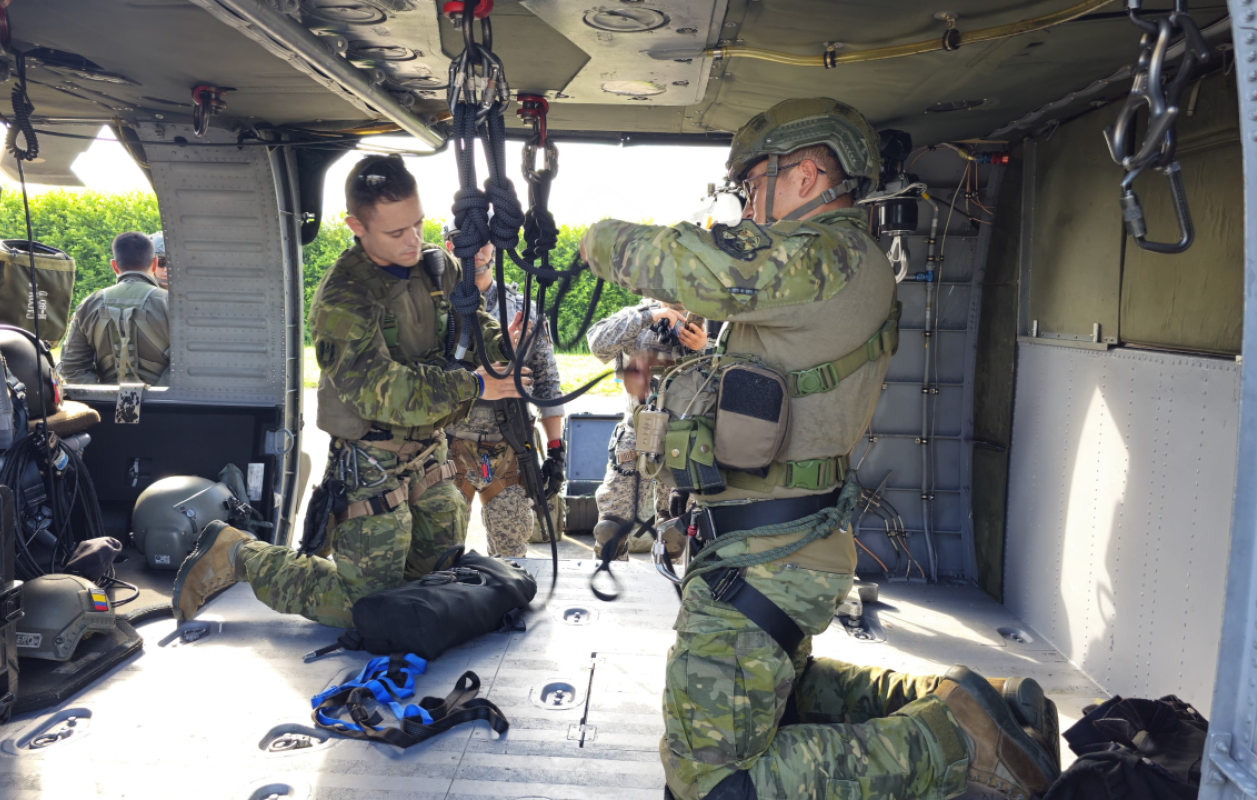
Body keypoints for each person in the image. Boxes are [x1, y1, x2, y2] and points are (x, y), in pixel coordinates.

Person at [579, 98, 1060, 800]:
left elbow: (703, 267)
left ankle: (955, 738)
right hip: (769, 544)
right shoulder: (828, 266)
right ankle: (966, 700)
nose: (746, 205)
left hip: (767, 553)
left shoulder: (829, 257)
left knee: (713, 781)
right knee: (788, 693)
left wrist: (595, 239)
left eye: (752, 186)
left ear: (804, 175)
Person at [171, 154, 528, 627]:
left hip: (431, 458)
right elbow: (383, 392)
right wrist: (478, 384)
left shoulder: (436, 269)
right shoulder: (345, 297)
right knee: (367, 609)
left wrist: (505, 340)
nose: (413, 241)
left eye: (418, 225)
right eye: (396, 232)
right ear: (355, 226)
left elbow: (467, 328)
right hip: (372, 465)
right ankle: (236, 553)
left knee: (436, 581)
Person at [443, 226, 566, 558]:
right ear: (449, 245)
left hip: (507, 448)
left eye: (484, 241)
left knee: (511, 552)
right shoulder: (437, 309)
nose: (476, 250)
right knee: (436, 552)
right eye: (465, 239)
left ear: (495, 248)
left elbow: (547, 383)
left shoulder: (520, 308)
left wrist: (556, 452)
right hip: (447, 448)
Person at [587, 299, 707, 560]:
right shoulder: (639, 314)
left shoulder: (711, 314)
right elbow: (597, 344)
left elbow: (734, 368)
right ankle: (611, 588)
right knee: (610, 530)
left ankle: (670, 590)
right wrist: (651, 316)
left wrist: (704, 347)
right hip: (637, 433)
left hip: (686, 439)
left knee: (675, 533)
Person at [58, 231, 171, 386]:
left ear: (114, 266)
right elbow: (190, 363)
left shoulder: (89, 304)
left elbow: (72, 366)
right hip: (167, 408)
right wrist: (158, 400)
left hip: (104, 407)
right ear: (154, 263)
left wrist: (103, 399)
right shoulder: (172, 304)